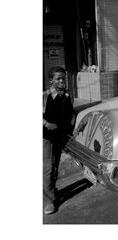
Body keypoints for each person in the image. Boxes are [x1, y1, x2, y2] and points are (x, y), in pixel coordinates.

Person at [43, 66, 75, 214]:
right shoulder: (45, 96)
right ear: (51, 81)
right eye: (58, 79)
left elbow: (70, 114)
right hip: (47, 137)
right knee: (48, 168)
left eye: (63, 78)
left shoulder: (67, 96)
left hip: (59, 136)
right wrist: (46, 124)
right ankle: (48, 201)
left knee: (55, 166)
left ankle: (52, 190)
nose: (62, 81)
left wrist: (72, 126)